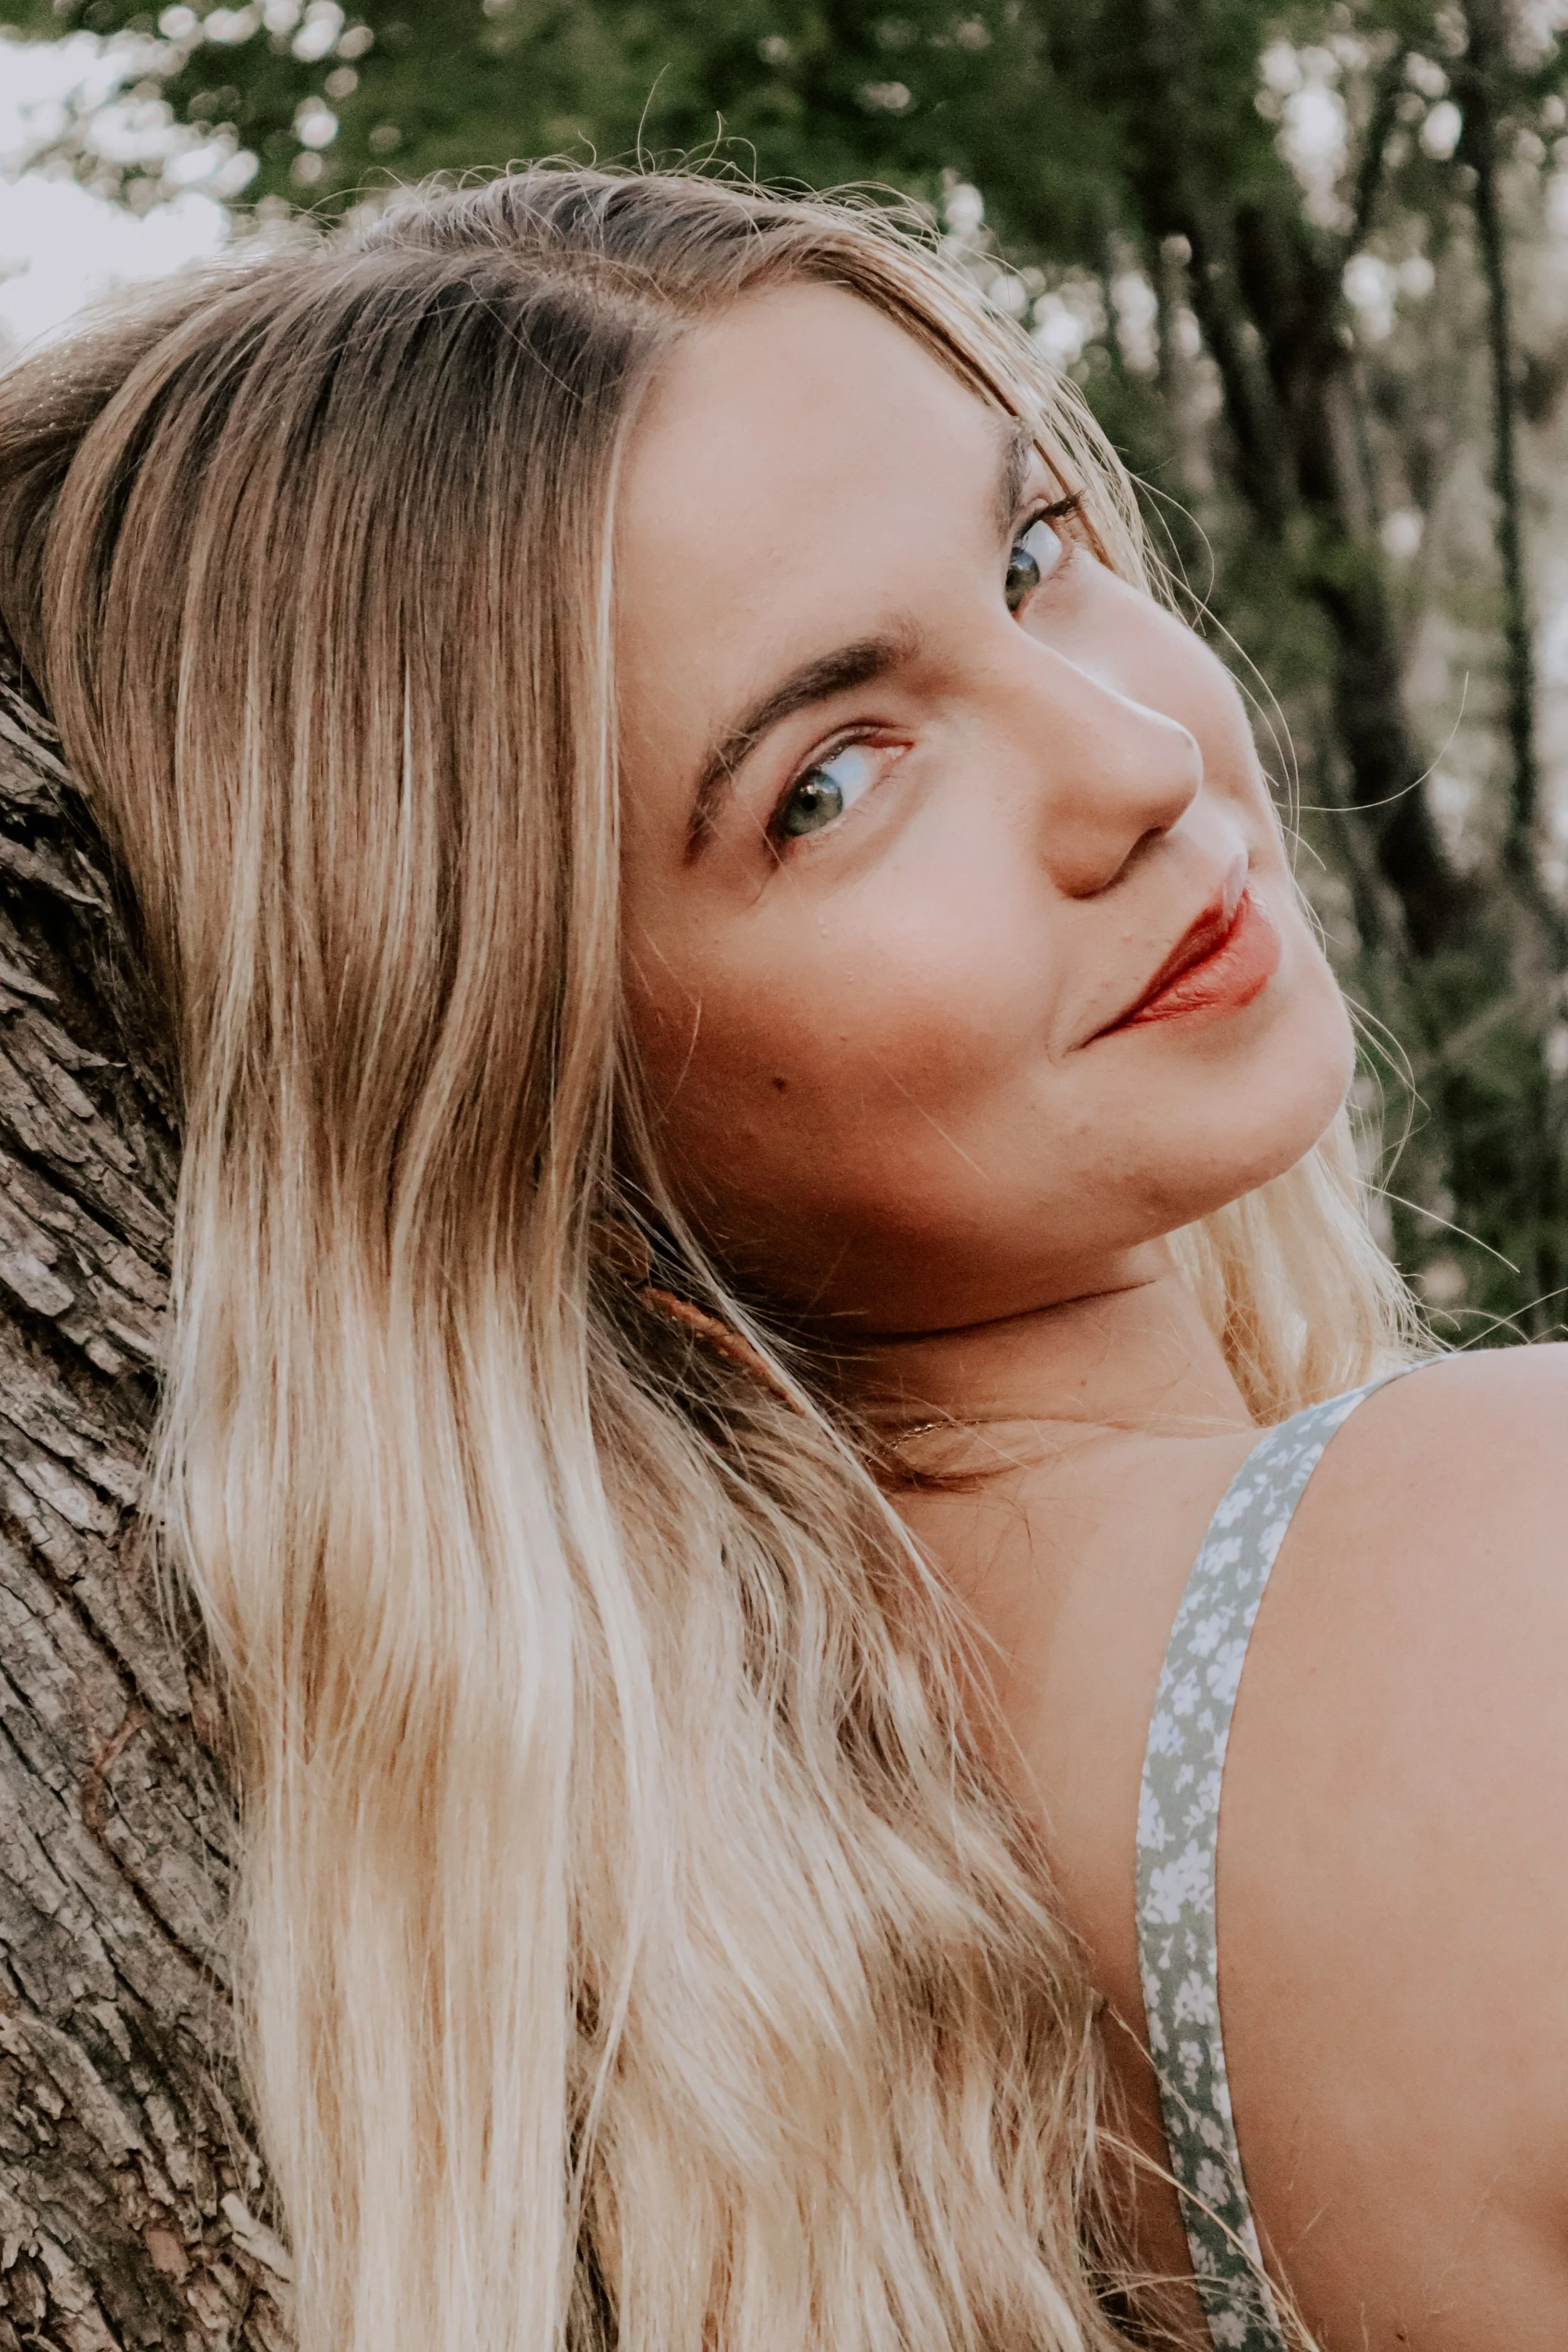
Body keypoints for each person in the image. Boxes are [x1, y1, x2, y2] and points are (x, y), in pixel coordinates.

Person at [0, 164, 1563, 2352]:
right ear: (543, 1130)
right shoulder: (1492, 1602)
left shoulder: (774, 2026)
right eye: (830, 782)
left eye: (1032, 559)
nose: (1128, 759)